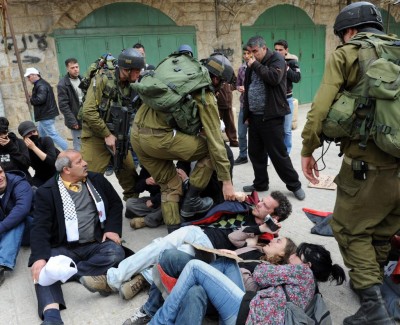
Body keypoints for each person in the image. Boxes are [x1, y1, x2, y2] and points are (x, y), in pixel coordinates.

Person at [301, 2, 399, 324]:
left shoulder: (347, 55)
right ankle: (366, 285)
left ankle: (373, 308)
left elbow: (319, 108)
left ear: (350, 31)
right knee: (382, 230)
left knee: (348, 229)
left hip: (365, 166)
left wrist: (308, 148)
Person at [79, 191, 291, 299]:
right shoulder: (246, 205)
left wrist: (263, 230)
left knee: (165, 250)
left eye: (265, 206)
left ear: (275, 217)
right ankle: (124, 280)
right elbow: (233, 199)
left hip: (210, 252)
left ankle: (122, 280)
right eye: (262, 200)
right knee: (161, 246)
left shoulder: (267, 240)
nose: (259, 203)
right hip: (198, 233)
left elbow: (247, 250)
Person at [131, 53, 236, 232]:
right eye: (223, 82)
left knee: (170, 186)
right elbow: (216, 140)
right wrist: (227, 181)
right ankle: (192, 200)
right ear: (217, 79)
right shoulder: (204, 92)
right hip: (158, 139)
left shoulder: (175, 78)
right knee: (214, 150)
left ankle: (174, 233)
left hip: (137, 136)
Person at [28, 149, 125, 325]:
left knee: (115, 253)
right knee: (42, 270)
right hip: (64, 247)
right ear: (67, 170)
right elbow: (40, 227)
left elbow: (116, 204)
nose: (85, 163)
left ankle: (68, 273)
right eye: (80, 162)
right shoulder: (47, 191)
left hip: (95, 243)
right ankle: (52, 317)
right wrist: (40, 259)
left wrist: (112, 229)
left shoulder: (96, 180)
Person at [149, 243, 345, 325]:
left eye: (296, 255)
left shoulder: (302, 273)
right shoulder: (310, 290)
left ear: (307, 264)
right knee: (198, 284)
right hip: (247, 313)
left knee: (194, 267)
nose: (291, 257)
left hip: (247, 312)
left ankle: (158, 322)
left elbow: (260, 274)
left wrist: (271, 268)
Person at [123, 237, 297, 325]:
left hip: (227, 300)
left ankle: (164, 302)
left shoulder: (272, 272)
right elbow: (235, 238)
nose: (273, 238)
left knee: (194, 291)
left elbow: (250, 293)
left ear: (282, 255)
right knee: (169, 256)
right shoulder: (255, 248)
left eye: (278, 241)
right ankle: (150, 309)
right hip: (212, 270)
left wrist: (236, 264)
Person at [241, 36, 305, 201]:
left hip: (271, 117)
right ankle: (261, 183)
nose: (252, 55)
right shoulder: (251, 64)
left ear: (264, 48)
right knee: (255, 153)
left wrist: (254, 64)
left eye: (255, 51)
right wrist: (247, 114)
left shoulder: (276, 59)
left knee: (278, 154)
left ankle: (294, 185)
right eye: (250, 52)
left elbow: (273, 78)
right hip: (255, 117)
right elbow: (249, 89)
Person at [80, 48, 145, 200]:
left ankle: (132, 203)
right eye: (136, 71)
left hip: (118, 136)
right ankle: (88, 209)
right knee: (89, 176)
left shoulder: (131, 85)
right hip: (96, 136)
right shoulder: (102, 78)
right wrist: (106, 134)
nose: (138, 75)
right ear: (126, 70)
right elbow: (88, 112)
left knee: (129, 174)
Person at [0, 164, 33, 286]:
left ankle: (2, 264)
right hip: (6, 230)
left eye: (1, 172)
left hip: (31, 229)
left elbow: (22, 210)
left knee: (17, 219)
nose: (0, 177)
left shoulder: (20, 184)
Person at [25, 67, 68, 151]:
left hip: (46, 115)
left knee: (53, 135)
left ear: (34, 75)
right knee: (41, 134)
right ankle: (44, 151)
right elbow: (41, 97)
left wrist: (31, 99)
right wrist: (32, 97)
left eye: (29, 77)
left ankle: (67, 150)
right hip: (46, 114)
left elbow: (40, 99)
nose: (28, 79)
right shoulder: (40, 84)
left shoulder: (41, 85)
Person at [274, 39, 301, 154]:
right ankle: (277, 151)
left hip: (287, 99)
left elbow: (297, 78)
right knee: (275, 129)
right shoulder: (272, 61)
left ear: (286, 50)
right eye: (276, 50)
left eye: (280, 50)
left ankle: (287, 152)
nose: (278, 52)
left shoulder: (292, 61)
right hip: (275, 100)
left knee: (287, 129)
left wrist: (287, 68)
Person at [18, 120, 58, 187]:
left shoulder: (46, 140)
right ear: (24, 137)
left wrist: (33, 148)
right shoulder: (24, 148)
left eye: (34, 132)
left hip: (55, 173)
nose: (33, 134)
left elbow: (51, 162)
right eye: (29, 133)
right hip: (40, 177)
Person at [57, 58, 83, 151]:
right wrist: (73, 121)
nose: (76, 69)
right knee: (78, 144)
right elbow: (63, 105)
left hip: (87, 117)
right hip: (76, 119)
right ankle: (79, 164)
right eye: (72, 68)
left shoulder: (82, 79)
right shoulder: (63, 84)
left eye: (77, 67)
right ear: (67, 69)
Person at [125, 166, 162, 230]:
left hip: (165, 199)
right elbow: (137, 188)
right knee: (130, 203)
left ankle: (146, 220)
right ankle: (157, 216)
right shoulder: (146, 169)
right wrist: (145, 181)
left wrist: (154, 201)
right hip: (153, 200)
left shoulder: (166, 168)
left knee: (168, 206)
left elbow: (172, 192)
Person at [234, 46, 252, 165]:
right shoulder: (241, 69)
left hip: (254, 107)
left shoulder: (257, 68)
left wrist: (248, 88)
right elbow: (237, 84)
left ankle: (257, 155)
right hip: (243, 105)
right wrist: (239, 88)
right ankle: (243, 155)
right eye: (244, 53)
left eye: (248, 53)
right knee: (241, 133)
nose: (246, 55)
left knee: (255, 134)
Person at [0, 117, 31, 183]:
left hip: (20, 180)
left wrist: (11, 146)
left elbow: (26, 164)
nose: (2, 137)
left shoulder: (19, 142)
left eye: (3, 133)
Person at [217, 82, 238, 147]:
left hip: (228, 103)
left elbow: (236, 82)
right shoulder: (215, 73)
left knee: (230, 124)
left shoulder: (228, 72)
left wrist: (230, 87)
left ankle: (233, 141)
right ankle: (217, 142)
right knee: (216, 124)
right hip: (218, 104)